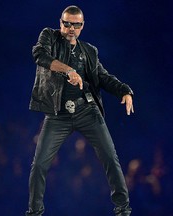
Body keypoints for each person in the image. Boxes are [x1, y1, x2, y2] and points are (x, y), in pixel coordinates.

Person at [25, 5, 134, 216]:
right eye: (66, 24)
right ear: (61, 23)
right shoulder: (49, 37)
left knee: (111, 158)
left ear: (82, 26)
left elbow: (103, 77)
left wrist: (125, 90)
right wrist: (69, 70)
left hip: (87, 112)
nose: (70, 28)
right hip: (58, 115)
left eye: (75, 24)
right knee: (38, 165)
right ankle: (34, 213)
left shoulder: (89, 51)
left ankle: (123, 211)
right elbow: (39, 55)